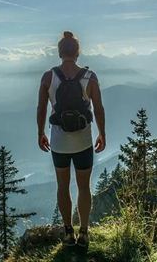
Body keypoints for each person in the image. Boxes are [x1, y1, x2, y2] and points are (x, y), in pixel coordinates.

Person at [36, 31, 106, 248]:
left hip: (59, 142)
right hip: (83, 141)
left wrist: (40, 133)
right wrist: (102, 133)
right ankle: (84, 233)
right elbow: (98, 108)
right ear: (77, 52)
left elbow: (41, 107)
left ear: (59, 52)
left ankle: (68, 233)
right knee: (84, 187)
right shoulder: (90, 77)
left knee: (63, 186)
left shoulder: (48, 77)